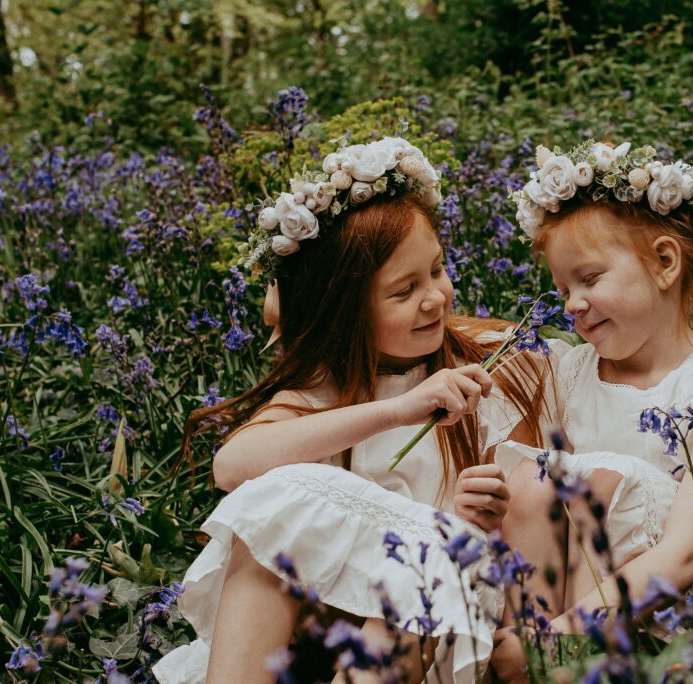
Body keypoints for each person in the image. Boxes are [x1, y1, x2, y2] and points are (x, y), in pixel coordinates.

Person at [152, 136, 552, 684]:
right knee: (273, 520)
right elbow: (234, 467)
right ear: (344, 311)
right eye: (403, 290)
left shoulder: (488, 361)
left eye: (436, 270)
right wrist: (399, 409)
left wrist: (476, 511)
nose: (435, 297)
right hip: (326, 623)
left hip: (437, 612)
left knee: (400, 595)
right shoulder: (326, 389)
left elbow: (532, 506)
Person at [491, 140, 693, 679]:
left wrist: (556, 638)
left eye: (590, 278)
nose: (571, 304)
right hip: (565, 598)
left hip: (679, 612)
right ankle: (530, 658)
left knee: (604, 479)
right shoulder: (569, 374)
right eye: (561, 289)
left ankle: (554, 659)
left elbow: (683, 555)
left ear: (665, 263)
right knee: (531, 480)